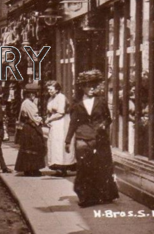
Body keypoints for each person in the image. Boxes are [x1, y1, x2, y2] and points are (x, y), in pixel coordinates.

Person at [65, 69, 118, 208]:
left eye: (93, 86)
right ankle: (85, 197)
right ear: (83, 87)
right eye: (88, 86)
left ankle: (102, 195)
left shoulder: (101, 101)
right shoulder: (77, 103)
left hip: (99, 138)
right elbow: (73, 122)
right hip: (82, 138)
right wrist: (67, 140)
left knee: (101, 167)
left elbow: (108, 119)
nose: (91, 89)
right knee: (83, 168)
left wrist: (103, 125)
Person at [14, 83, 46, 176]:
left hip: (27, 128)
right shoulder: (29, 104)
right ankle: (33, 169)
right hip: (31, 128)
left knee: (28, 147)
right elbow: (34, 117)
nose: (34, 96)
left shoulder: (26, 102)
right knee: (34, 146)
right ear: (31, 94)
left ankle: (28, 169)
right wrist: (41, 120)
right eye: (33, 94)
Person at [44, 81, 75, 176]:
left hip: (62, 123)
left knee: (60, 144)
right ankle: (58, 167)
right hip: (55, 123)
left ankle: (63, 167)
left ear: (57, 89)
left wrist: (49, 120)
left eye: (51, 89)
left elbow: (60, 113)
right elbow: (49, 111)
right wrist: (48, 119)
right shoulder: (51, 98)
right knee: (55, 145)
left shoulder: (61, 97)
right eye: (48, 89)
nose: (49, 91)